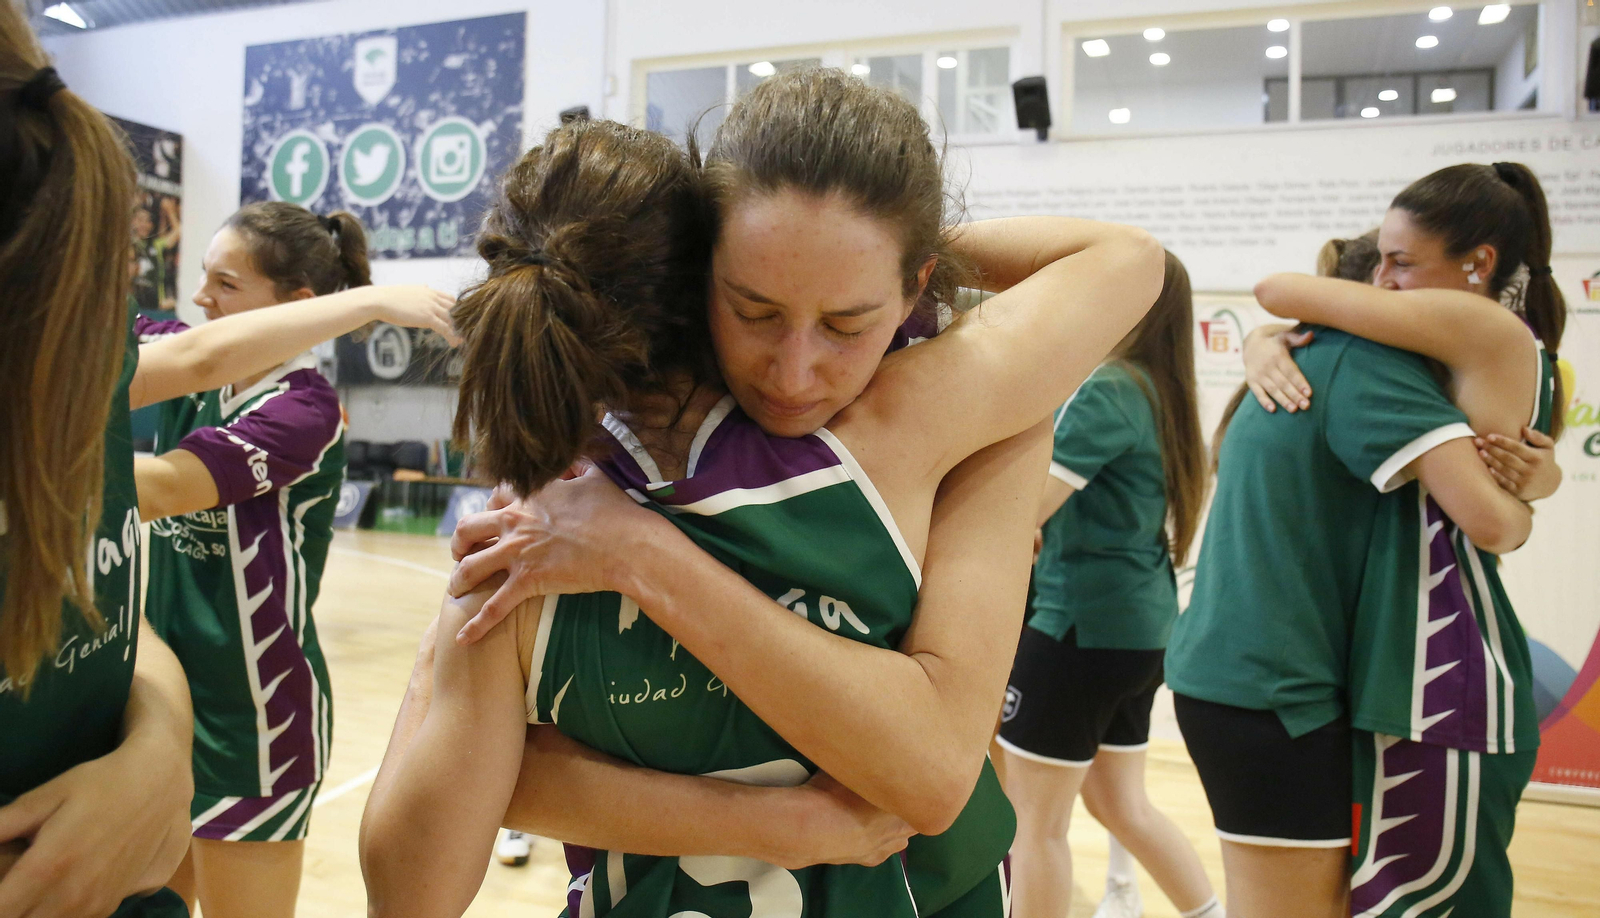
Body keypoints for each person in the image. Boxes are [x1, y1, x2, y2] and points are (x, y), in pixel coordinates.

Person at [363, 71, 1163, 917]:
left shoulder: (929, 418)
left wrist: (634, 558)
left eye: (848, 324)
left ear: (914, 285)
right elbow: (1127, 259)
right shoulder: (915, 420)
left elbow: (931, 776)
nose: (794, 371)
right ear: (697, 270)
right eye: (753, 310)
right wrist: (776, 823)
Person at [1165, 163, 1556, 918]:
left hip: (1254, 680)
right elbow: (1492, 522)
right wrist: (1537, 498)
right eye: (1379, 266)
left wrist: (1268, 342)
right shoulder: (1367, 366)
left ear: (1478, 263)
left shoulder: (1328, 362)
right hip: (1274, 688)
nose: (1385, 283)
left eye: (1401, 264)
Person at [134, 202, 449, 918]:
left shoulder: (303, 410)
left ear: (299, 308)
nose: (200, 298)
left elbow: (160, 489)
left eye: (225, 282)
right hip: (162, 707)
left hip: (255, 721)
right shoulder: (188, 357)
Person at [0, 14, 194, 915]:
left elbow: (105, 617)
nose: (201, 296)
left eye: (228, 283)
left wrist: (158, 746)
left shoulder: (78, 344)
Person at [997, 250, 1220, 918]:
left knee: (1034, 826)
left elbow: (1030, 505)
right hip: (1138, 630)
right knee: (1120, 804)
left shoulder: (1112, 388)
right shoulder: (1160, 391)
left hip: (1079, 628)